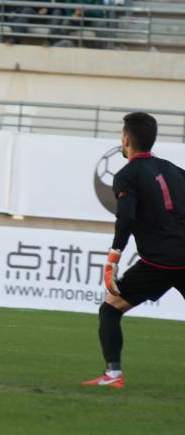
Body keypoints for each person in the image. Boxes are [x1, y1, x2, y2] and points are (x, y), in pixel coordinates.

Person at [82, 112, 185, 389]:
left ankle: (113, 375)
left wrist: (113, 258)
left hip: (159, 263)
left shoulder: (126, 175)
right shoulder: (175, 170)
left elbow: (125, 217)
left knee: (110, 309)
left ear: (125, 140)